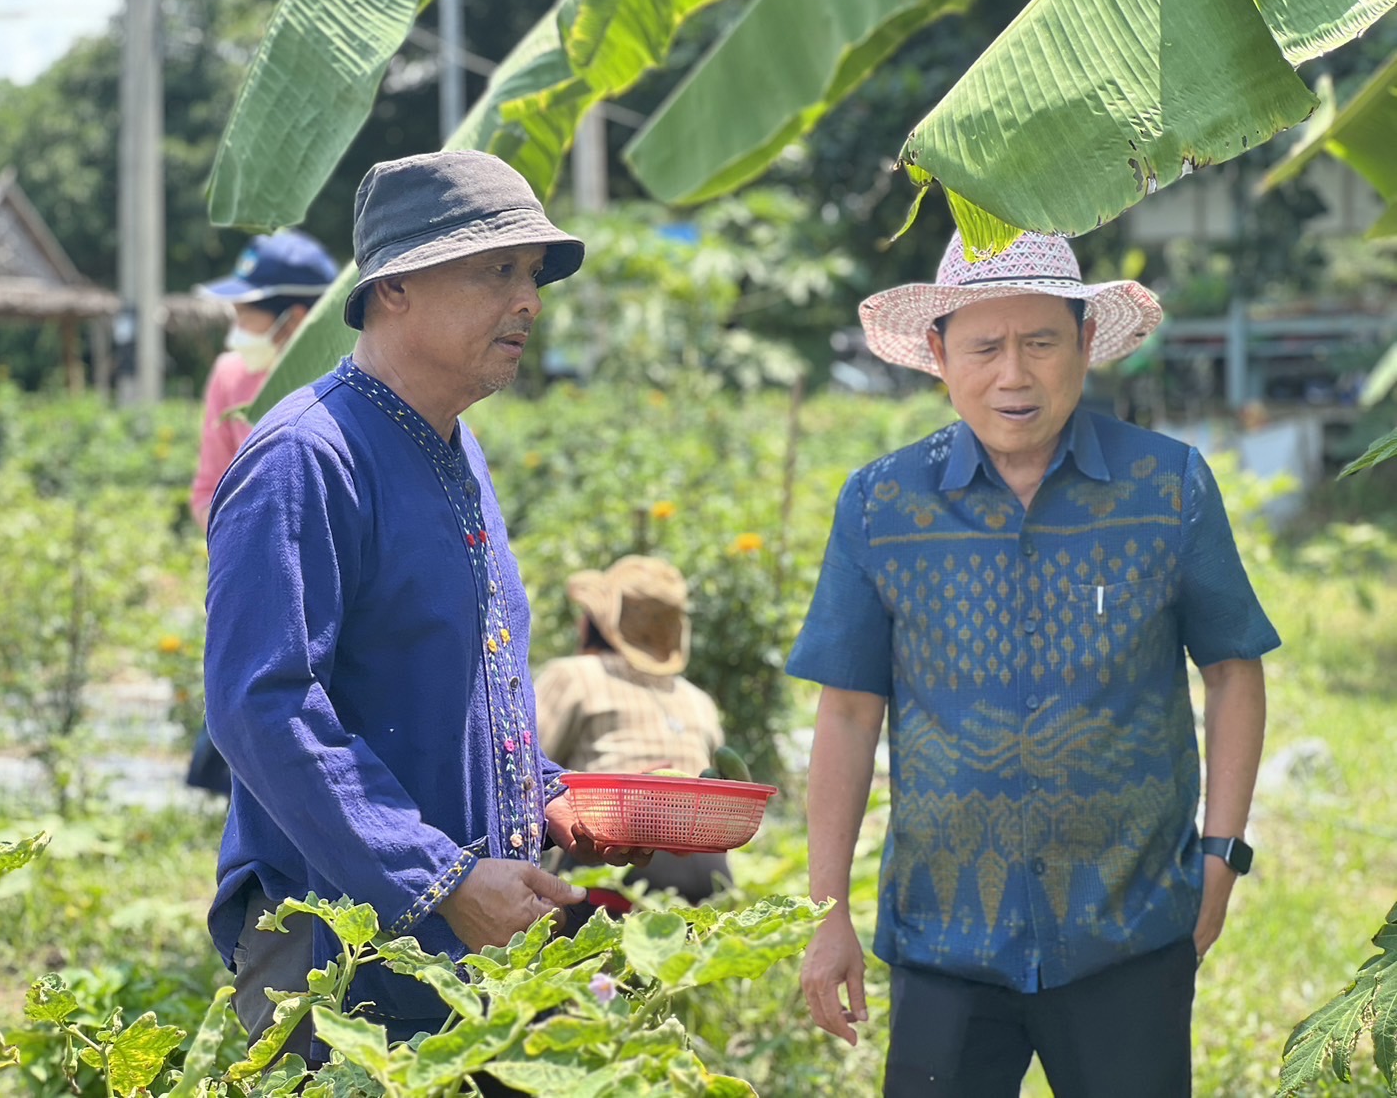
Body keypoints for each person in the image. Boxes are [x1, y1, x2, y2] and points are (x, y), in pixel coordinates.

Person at [789, 231, 1279, 1097]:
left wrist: (1221, 854)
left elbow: (1234, 667)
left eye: (1040, 342)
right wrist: (826, 913)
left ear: (1085, 344)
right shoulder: (881, 503)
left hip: (1126, 925)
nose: (1013, 374)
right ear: (938, 354)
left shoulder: (1168, 487)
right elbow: (848, 711)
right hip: (945, 940)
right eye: (984, 346)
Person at [202, 150, 647, 1062]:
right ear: (394, 287)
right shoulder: (305, 457)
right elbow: (265, 707)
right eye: (497, 270)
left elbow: (461, 683)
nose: (527, 299)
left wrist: (549, 795)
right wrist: (437, 878)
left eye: (531, 275)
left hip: (464, 926)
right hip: (337, 948)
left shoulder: (457, 450)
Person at [184, 229, 339, 797]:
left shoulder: (350, 384)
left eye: (247, 314)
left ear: (294, 319)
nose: (236, 328)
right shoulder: (231, 376)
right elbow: (207, 488)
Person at [536, 555, 731, 907]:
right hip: (710, 871)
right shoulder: (698, 699)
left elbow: (522, 770)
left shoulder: (575, 676)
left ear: (593, 623)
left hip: (615, 864)